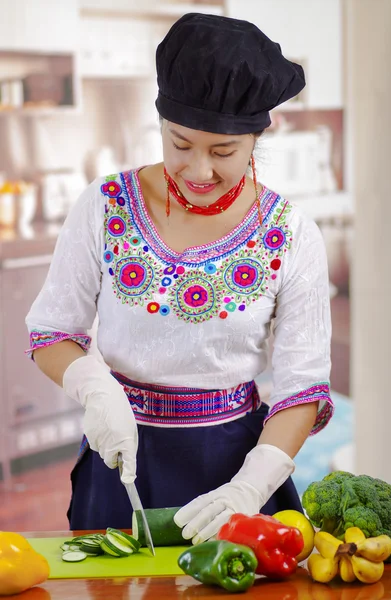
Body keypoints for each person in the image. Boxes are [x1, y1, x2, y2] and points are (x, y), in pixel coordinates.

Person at [25, 13, 333, 544]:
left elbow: (303, 386)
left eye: (223, 152)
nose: (198, 171)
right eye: (180, 143)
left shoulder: (292, 234)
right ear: (161, 124)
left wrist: (249, 488)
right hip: (119, 459)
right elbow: (52, 331)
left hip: (238, 465)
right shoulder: (103, 206)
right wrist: (95, 387)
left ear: (258, 137)